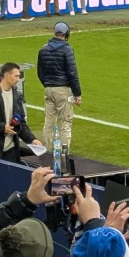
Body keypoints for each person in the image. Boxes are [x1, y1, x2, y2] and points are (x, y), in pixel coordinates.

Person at [37, 19, 82, 156]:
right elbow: (72, 73)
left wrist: (47, 84)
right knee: (65, 123)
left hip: (48, 89)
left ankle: (48, 152)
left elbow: (40, 72)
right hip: (63, 90)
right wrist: (77, 94)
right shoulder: (67, 49)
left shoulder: (43, 49)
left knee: (49, 122)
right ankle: (64, 154)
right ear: (66, 34)